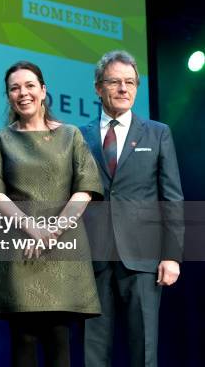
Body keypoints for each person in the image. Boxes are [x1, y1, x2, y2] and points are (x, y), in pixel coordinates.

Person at [0, 61, 103, 366]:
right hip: (20, 248)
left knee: (59, 337)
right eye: (15, 88)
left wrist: (54, 230)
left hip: (63, 246)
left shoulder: (71, 135)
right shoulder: (0, 139)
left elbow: (85, 188)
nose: (23, 93)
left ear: (43, 90)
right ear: (8, 96)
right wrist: (32, 228)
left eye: (30, 85)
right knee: (23, 338)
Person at [81, 50, 184, 367]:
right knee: (93, 349)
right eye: (115, 82)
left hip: (143, 258)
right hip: (93, 258)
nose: (124, 89)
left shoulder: (157, 132)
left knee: (144, 349)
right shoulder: (78, 136)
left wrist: (171, 255)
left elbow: (172, 197)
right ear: (99, 88)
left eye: (130, 82)